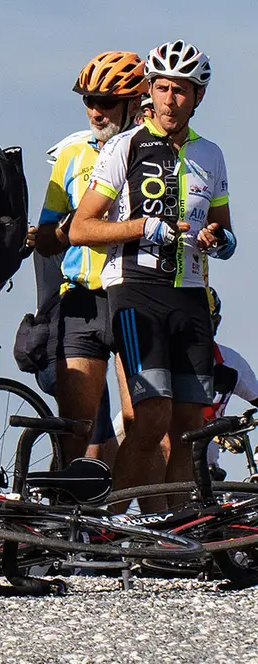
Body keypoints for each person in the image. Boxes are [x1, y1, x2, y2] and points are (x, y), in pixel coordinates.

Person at [69, 40, 234, 495]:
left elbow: (224, 231)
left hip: (192, 293)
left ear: (197, 97)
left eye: (180, 91)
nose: (169, 100)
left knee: (190, 429)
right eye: (161, 88)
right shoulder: (125, 146)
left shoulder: (211, 154)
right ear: (149, 90)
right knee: (151, 417)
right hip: (137, 290)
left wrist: (219, 240)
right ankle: (112, 525)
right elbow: (81, 228)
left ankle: (175, 536)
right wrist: (146, 227)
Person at [30, 52, 147, 459]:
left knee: (141, 422)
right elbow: (45, 237)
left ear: (135, 103)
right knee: (75, 428)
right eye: (89, 101)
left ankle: (128, 518)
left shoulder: (153, 152)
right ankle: (76, 520)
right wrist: (74, 229)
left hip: (136, 293)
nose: (96, 112)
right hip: (82, 299)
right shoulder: (71, 155)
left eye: (107, 102)